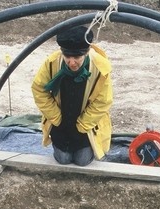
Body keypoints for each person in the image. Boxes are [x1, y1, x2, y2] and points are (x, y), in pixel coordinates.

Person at [31, 25, 113, 167]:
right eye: (67, 56)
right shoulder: (52, 63)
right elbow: (39, 89)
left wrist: (82, 125)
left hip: (85, 124)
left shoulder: (100, 68)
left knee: (82, 161)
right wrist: (56, 117)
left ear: (86, 52)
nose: (71, 62)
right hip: (61, 120)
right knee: (63, 159)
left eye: (77, 57)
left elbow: (103, 102)